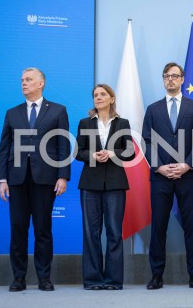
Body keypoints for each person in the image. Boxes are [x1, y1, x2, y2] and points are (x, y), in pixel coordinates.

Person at [0, 67, 70, 292]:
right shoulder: (12, 113)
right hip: (17, 179)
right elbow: (4, 148)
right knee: (18, 228)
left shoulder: (58, 111)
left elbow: (62, 146)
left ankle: (44, 278)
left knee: (43, 229)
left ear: (41, 84)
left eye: (28, 79)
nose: (23, 83)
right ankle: (18, 278)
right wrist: (2, 179)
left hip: (45, 179)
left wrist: (63, 176)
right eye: (22, 80)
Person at [142, 62, 193, 290]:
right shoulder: (152, 109)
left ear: (182, 79)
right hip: (160, 176)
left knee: (192, 226)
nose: (170, 79)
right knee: (158, 226)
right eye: (166, 76)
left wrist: (187, 164)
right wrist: (158, 166)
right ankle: (156, 275)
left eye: (174, 76)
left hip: (188, 176)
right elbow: (147, 141)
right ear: (163, 80)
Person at [75, 84, 135, 290]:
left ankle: (113, 280)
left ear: (111, 98)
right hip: (89, 184)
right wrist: (91, 155)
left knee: (114, 232)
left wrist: (111, 154)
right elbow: (77, 152)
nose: (98, 98)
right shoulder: (84, 122)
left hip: (115, 184)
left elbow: (130, 152)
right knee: (91, 233)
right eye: (95, 95)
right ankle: (92, 280)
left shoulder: (122, 123)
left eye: (102, 94)